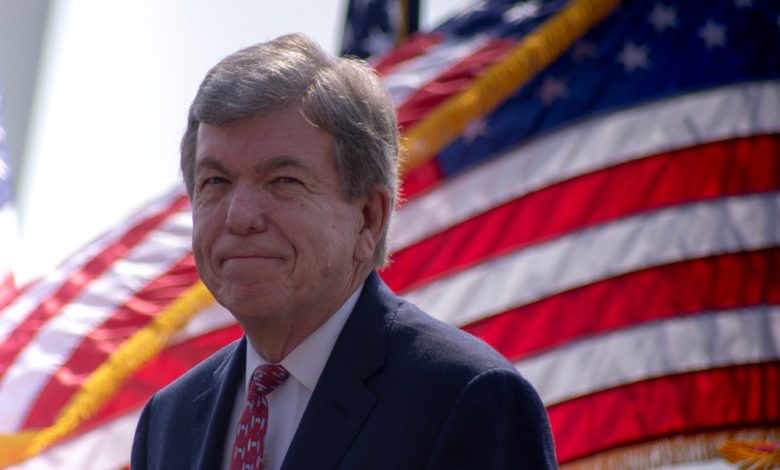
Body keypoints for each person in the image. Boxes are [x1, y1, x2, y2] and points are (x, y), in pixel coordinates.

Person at [131, 33, 557, 470]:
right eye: (215, 183)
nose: (239, 217)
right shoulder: (169, 420)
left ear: (368, 218)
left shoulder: (467, 398)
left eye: (283, 181)